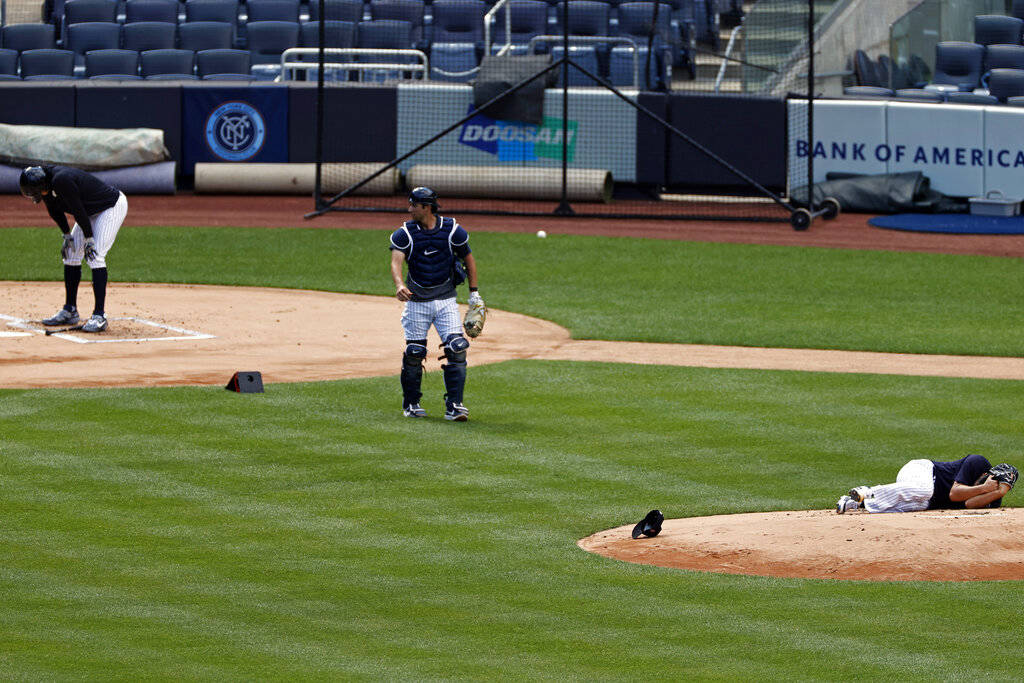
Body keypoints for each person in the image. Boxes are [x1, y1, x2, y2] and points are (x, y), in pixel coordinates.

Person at [389, 187, 482, 421]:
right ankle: (411, 403)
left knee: (458, 348)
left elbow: (469, 259)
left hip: (445, 301)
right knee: (415, 352)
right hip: (417, 302)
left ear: (426, 207)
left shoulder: (452, 231)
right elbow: (396, 261)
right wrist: (399, 284)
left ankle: (455, 406)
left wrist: (474, 294)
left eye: (414, 205)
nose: (410, 209)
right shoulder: (405, 234)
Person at [20, 165, 128, 333]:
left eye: (35, 192)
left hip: (110, 207)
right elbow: (54, 210)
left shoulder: (61, 180)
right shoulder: (47, 184)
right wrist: (67, 235)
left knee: (95, 255)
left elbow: (78, 210)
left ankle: (99, 316)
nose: (35, 196)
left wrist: (89, 239)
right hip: (90, 211)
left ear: (42, 187)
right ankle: (70, 310)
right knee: (71, 253)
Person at [836, 454, 1016, 513]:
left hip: (928, 498)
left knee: (910, 506)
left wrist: (996, 493)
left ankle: (857, 503)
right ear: (990, 474)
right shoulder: (978, 462)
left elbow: (968, 504)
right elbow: (955, 494)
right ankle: (868, 491)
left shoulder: (993, 496)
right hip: (922, 471)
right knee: (925, 490)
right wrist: (984, 488)